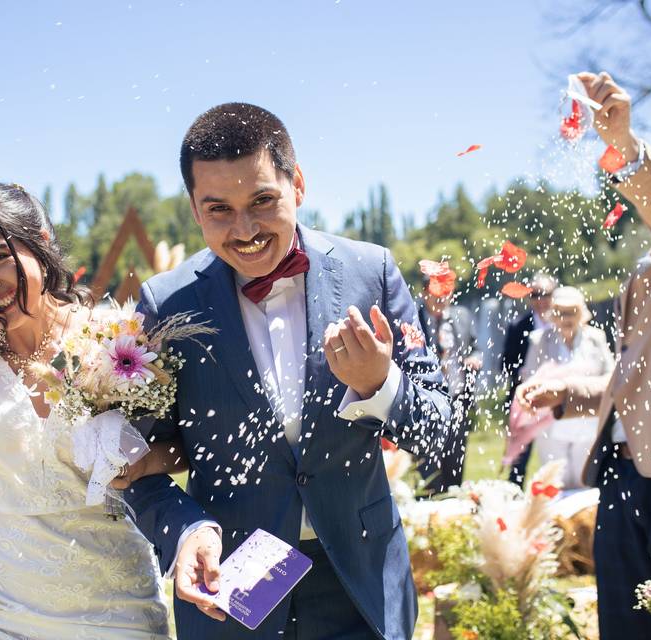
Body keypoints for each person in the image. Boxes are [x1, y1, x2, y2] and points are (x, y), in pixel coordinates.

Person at [124, 103, 451, 640]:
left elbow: (443, 433)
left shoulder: (374, 272)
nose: (245, 229)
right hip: (229, 588)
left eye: (262, 200)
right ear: (193, 208)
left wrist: (380, 385)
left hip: (360, 584)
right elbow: (135, 465)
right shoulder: (163, 305)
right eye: (219, 210)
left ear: (297, 184)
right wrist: (185, 533)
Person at [0, 182, 182, 640]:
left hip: (116, 606)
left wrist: (146, 461)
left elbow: (184, 449)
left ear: (41, 240)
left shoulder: (117, 339)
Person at [516, 71, 651, 639]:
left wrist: (628, 150)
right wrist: (574, 394)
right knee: (626, 627)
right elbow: (645, 373)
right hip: (624, 468)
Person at [512, 286, 613, 490]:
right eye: (561, 312)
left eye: (571, 312)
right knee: (555, 482)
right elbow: (529, 376)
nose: (566, 318)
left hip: (587, 421)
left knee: (586, 482)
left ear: (581, 313)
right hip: (551, 422)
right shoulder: (540, 340)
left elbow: (610, 375)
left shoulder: (596, 338)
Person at [415, 277, 481, 495]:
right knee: (428, 464)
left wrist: (474, 359)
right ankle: (428, 508)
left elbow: (475, 348)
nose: (442, 298)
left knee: (455, 459)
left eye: (447, 293)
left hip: (458, 397)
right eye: (437, 293)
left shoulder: (461, 316)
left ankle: (453, 503)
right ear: (425, 293)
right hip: (426, 401)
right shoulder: (413, 318)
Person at [500, 273, 556, 486]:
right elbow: (506, 364)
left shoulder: (564, 322)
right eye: (535, 295)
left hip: (556, 399)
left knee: (555, 455)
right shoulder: (518, 325)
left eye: (545, 295)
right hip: (527, 400)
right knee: (520, 459)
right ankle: (514, 498)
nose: (541, 300)